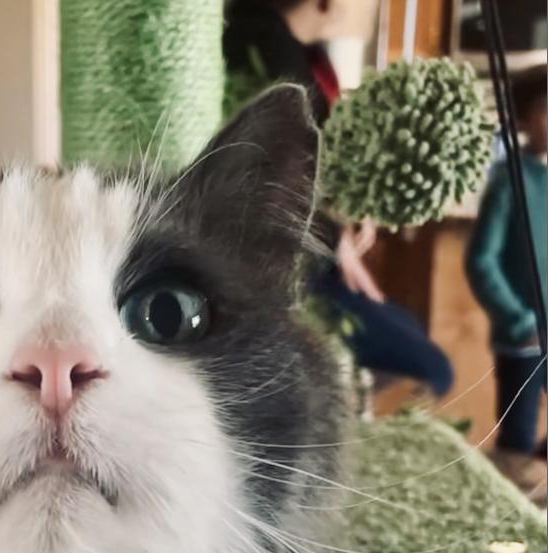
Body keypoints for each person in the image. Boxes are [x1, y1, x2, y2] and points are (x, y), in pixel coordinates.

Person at [223, 0, 455, 398]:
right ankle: (346, 403)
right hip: (288, 261)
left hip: (312, 247)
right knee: (433, 367)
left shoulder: (299, 53)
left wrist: (343, 224)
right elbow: (256, 176)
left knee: (410, 326)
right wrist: (334, 236)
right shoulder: (267, 46)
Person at [465, 64, 547, 489]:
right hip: (524, 338)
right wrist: (519, 320)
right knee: (515, 441)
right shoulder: (510, 181)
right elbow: (482, 261)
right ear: (524, 118)